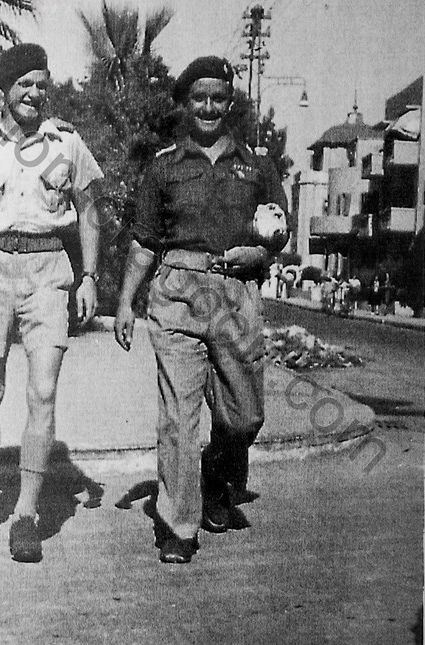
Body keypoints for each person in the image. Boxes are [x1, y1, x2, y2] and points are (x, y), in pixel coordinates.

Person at [113, 56, 288, 564]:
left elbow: (279, 229)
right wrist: (126, 301)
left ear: (229, 103)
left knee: (243, 417)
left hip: (235, 295)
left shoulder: (256, 165)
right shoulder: (165, 165)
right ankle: (178, 525)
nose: (209, 107)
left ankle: (215, 475)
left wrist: (261, 253)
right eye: (199, 98)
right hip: (178, 293)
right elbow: (145, 241)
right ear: (185, 104)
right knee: (178, 418)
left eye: (218, 98)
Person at [0, 43, 103, 563]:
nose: (34, 92)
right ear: (4, 88)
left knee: (44, 391)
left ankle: (26, 512)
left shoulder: (67, 142)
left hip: (48, 269)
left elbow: (90, 209)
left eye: (41, 82)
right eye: (24, 83)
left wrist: (90, 275)